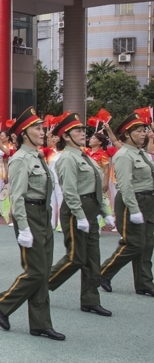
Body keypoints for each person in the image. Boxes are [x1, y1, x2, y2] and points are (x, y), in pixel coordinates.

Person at [0, 107, 63, 340]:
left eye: (42, 128)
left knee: (44, 272)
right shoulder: (20, 159)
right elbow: (17, 196)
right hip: (29, 215)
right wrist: (23, 227)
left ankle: (40, 324)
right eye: (37, 128)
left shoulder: (38, 156)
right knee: (37, 271)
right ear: (24, 133)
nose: (42, 132)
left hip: (43, 213)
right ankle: (3, 303)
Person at [47, 112, 116, 316]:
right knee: (76, 257)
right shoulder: (67, 158)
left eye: (83, 130)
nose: (83, 133)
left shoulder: (84, 155)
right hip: (76, 211)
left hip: (91, 209)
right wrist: (80, 216)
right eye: (77, 131)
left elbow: (95, 188)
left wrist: (105, 212)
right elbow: (69, 191)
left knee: (92, 258)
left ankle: (90, 300)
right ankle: (40, 286)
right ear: (66, 136)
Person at [98, 112, 154, 297]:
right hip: (132, 201)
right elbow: (125, 185)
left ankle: (145, 283)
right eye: (139, 131)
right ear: (127, 134)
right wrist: (134, 209)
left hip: (148, 201)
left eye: (144, 130)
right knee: (134, 244)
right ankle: (103, 272)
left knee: (147, 244)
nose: (143, 134)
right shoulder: (124, 155)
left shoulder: (140, 153)